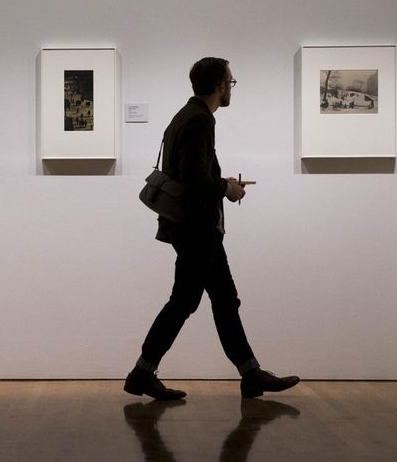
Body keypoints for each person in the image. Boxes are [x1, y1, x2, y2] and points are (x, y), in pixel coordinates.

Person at [124, 57, 300, 400]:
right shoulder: (200, 121)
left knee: (221, 299)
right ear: (219, 85)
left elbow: (191, 173)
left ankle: (250, 373)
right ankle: (142, 373)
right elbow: (194, 178)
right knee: (186, 301)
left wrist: (219, 183)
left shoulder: (186, 116)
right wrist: (226, 189)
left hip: (191, 227)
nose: (231, 88)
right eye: (231, 82)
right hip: (196, 228)